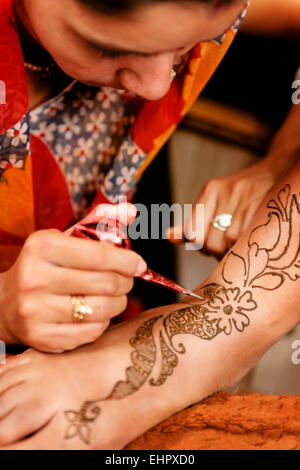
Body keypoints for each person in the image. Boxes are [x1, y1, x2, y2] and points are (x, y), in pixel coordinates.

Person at [0, 0, 299, 450]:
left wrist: (281, 158)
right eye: (103, 47)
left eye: (190, 47)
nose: (157, 88)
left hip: (116, 304)